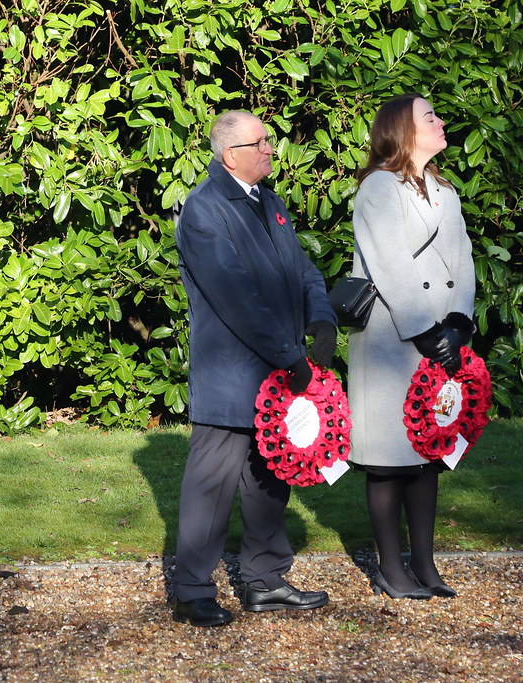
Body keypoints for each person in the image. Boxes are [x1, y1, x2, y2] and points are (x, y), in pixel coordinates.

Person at [170, 110, 337, 627]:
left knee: (270, 479)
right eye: (260, 142)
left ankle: (265, 580)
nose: (271, 149)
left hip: (276, 372)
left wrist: (323, 318)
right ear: (230, 155)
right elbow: (237, 296)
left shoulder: (269, 202)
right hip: (232, 373)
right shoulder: (203, 211)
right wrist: (291, 357)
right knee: (211, 486)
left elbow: (302, 268)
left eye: (268, 140)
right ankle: (193, 589)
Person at [347, 94, 475, 600]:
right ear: (402, 130)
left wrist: (459, 324)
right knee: (388, 457)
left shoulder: (444, 189)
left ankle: (424, 564)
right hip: (391, 338)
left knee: (429, 452)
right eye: (430, 117)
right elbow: (391, 264)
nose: (441, 122)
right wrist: (426, 331)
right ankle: (390, 569)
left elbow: (463, 258)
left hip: (440, 335)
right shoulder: (379, 187)